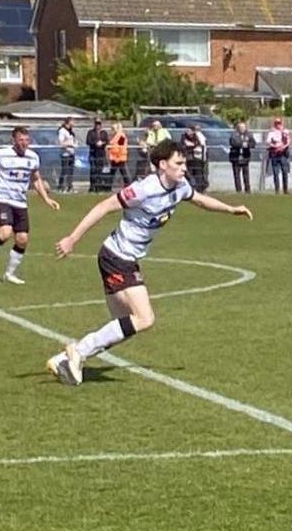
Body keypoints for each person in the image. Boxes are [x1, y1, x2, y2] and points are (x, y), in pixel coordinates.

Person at [47, 140, 253, 385]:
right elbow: (104, 206)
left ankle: (63, 359)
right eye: (178, 163)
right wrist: (73, 238)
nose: (184, 168)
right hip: (117, 257)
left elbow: (200, 200)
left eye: (184, 163)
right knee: (145, 318)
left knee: (124, 326)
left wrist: (231, 209)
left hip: (125, 259)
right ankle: (78, 351)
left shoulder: (181, 187)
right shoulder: (144, 189)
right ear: (163, 165)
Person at [0, 126, 60, 285]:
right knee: (5, 233)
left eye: (27, 140)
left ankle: (9, 274)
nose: (24, 143)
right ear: (13, 140)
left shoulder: (33, 157)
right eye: (21, 140)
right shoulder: (2, 154)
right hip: (3, 199)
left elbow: (36, 179)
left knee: (22, 239)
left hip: (20, 202)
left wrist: (47, 199)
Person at [229, 120, 255, 193]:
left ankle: (247, 190)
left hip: (245, 157)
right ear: (238, 128)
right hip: (236, 157)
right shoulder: (234, 135)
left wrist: (246, 145)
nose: (242, 129)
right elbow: (234, 143)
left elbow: (253, 143)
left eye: (244, 127)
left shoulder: (249, 134)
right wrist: (243, 144)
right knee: (236, 175)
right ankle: (238, 190)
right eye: (241, 127)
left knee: (246, 174)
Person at [265, 117, 291, 194]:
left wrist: (283, 146)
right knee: (275, 173)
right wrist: (274, 146)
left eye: (279, 123)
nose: (278, 125)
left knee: (285, 172)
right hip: (275, 154)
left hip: (283, 154)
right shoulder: (271, 133)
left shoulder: (285, 131)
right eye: (276, 123)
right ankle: (277, 190)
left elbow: (288, 141)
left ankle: (285, 189)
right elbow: (268, 142)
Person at [182, 125, 208, 192]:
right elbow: (183, 145)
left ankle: (200, 189)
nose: (188, 132)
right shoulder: (184, 136)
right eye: (187, 131)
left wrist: (192, 145)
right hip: (188, 158)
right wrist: (191, 145)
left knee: (198, 173)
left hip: (197, 158)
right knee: (189, 174)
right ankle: (190, 188)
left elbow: (199, 144)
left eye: (190, 131)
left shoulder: (197, 136)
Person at [106, 123, 131, 189]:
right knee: (113, 173)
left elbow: (121, 147)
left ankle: (128, 185)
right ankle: (108, 187)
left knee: (123, 172)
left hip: (119, 158)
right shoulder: (115, 136)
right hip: (114, 157)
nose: (112, 130)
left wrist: (118, 157)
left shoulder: (121, 136)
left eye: (113, 129)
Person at [86, 119, 108, 192]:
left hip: (101, 154)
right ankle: (92, 187)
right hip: (93, 153)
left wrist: (102, 143)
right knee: (93, 170)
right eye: (96, 124)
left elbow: (107, 141)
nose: (98, 126)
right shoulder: (90, 132)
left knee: (99, 171)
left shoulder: (104, 133)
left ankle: (98, 187)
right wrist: (95, 143)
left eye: (99, 124)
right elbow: (88, 141)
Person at [57, 117, 77, 193]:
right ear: (68, 122)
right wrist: (70, 144)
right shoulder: (62, 131)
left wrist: (75, 144)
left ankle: (70, 187)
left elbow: (73, 141)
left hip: (72, 153)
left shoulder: (71, 132)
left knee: (71, 172)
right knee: (64, 171)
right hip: (65, 154)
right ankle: (61, 187)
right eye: (72, 121)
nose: (74, 123)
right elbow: (60, 143)